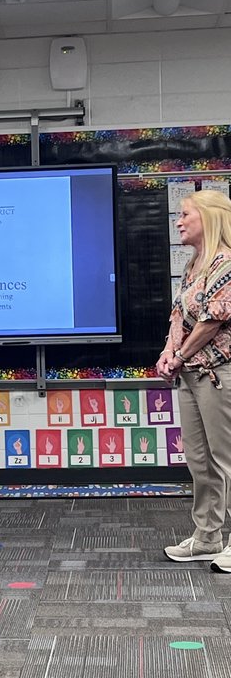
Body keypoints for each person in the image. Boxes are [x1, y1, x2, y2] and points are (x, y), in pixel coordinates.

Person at [157, 190, 231, 573]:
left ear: (210, 218)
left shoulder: (226, 263)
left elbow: (212, 320)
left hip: (220, 374)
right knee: (199, 460)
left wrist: (181, 355)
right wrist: (168, 354)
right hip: (191, 373)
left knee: (227, 459)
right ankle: (207, 538)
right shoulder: (193, 265)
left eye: (186, 214)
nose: (179, 221)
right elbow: (179, 317)